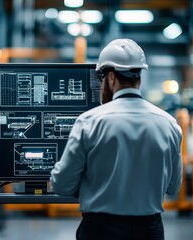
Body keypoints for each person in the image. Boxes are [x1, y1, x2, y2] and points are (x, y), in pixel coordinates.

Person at [50, 38, 183, 240]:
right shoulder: (169, 124)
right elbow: (173, 187)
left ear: (111, 77)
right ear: (139, 77)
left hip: (100, 230)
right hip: (149, 231)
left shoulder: (89, 122)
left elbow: (62, 185)